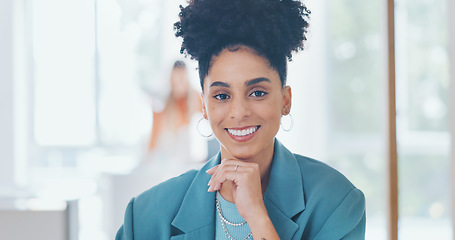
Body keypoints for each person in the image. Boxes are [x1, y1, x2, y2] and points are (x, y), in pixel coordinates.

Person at [116, 0, 366, 239]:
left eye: (257, 93)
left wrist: (258, 217)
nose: (238, 112)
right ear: (203, 106)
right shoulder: (145, 217)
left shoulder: (336, 203)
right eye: (222, 95)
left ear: (285, 100)